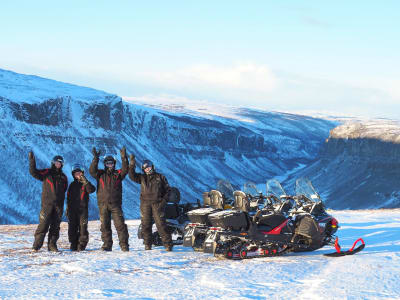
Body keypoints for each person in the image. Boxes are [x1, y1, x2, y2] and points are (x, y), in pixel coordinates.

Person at [128, 156, 173, 251]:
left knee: (161, 225)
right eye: (145, 168)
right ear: (143, 170)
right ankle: (147, 245)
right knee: (145, 225)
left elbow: (168, 191)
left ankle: (168, 245)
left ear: (152, 166)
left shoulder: (160, 177)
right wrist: (132, 164)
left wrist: (163, 202)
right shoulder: (142, 177)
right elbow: (132, 176)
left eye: (148, 167)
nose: (147, 169)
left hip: (158, 204)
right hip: (145, 204)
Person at [89, 147, 129, 251]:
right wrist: (95, 158)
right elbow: (92, 171)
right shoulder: (100, 174)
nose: (109, 165)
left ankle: (124, 245)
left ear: (114, 164)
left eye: (111, 163)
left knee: (120, 225)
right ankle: (107, 245)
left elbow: (125, 169)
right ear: (105, 164)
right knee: (105, 226)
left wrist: (124, 157)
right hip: (103, 204)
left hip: (116, 204)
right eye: (107, 163)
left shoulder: (118, 174)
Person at [29, 151, 68, 252]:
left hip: (58, 206)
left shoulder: (64, 177)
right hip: (47, 204)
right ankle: (36, 246)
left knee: (55, 226)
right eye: (56, 163)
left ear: (62, 164)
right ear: (53, 163)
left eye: (60, 163)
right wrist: (32, 161)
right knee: (43, 225)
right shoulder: (47, 172)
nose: (58, 164)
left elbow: (64, 189)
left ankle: (52, 245)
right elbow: (34, 173)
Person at [66, 164, 96, 251]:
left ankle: (81, 245)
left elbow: (91, 190)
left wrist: (85, 181)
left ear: (82, 173)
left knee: (83, 229)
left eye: (79, 173)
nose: (78, 175)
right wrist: (68, 208)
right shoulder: (71, 185)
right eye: (76, 174)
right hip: (72, 210)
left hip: (83, 210)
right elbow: (68, 198)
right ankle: (73, 244)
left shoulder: (85, 184)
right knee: (72, 229)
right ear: (73, 175)